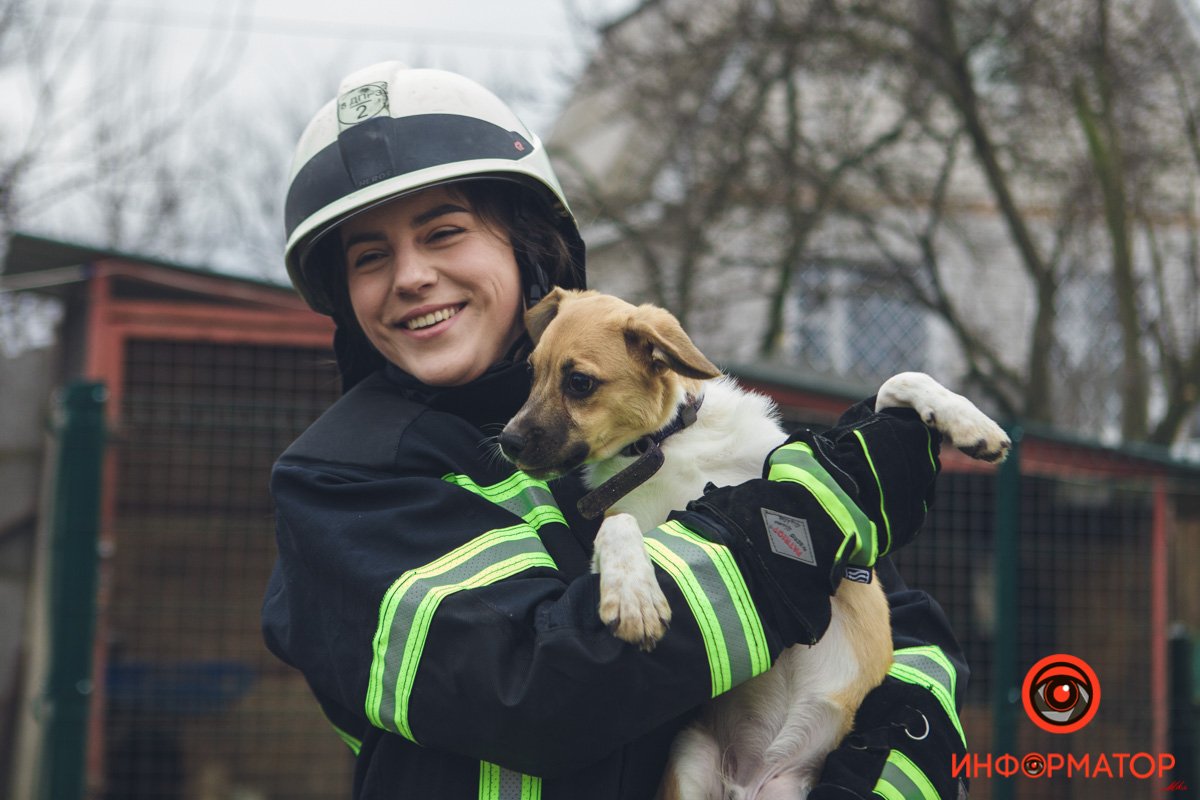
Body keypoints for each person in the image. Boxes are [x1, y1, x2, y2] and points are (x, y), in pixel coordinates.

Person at [263, 61, 970, 800]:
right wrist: (800, 524)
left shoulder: (650, 418)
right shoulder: (337, 482)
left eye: (444, 232)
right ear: (345, 295)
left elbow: (909, 643)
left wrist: (867, 783)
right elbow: (529, 692)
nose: (410, 276)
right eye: (370, 257)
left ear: (526, 244)